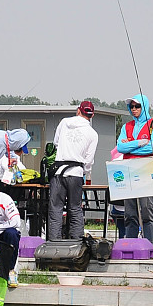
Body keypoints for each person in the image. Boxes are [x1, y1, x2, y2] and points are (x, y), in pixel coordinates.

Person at [115, 94, 153, 245]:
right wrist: (140, 143)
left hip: (147, 171)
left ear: (144, 107)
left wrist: (131, 146)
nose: (134, 109)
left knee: (147, 210)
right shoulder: (126, 127)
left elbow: (152, 147)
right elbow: (120, 147)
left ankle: (150, 246)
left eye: (137, 106)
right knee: (130, 213)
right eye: (131, 106)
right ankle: (131, 245)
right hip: (129, 172)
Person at [48, 101, 98, 240]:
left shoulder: (64, 122)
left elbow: (56, 143)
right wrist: (85, 172)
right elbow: (89, 160)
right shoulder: (93, 134)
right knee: (75, 209)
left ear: (78, 111)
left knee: (55, 210)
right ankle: (76, 243)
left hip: (58, 172)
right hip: (76, 173)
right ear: (92, 115)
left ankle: (54, 242)